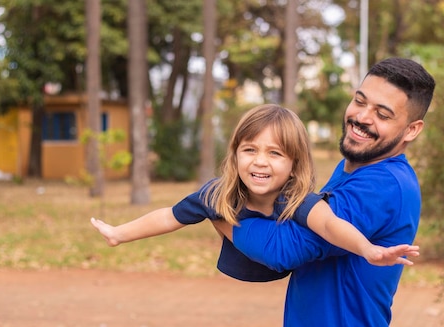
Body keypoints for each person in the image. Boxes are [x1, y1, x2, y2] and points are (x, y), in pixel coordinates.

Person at [212, 58, 436, 327]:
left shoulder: (380, 187)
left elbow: (282, 249)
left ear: (411, 130)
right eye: (360, 101)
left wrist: (215, 206)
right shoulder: (352, 167)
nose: (362, 117)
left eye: (382, 113)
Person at [90, 104, 419, 283]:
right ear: (234, 155)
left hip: (280, 262)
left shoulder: (295, 197)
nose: (260, 162)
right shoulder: (217, 194)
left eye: (275, 153)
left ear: (293, 164)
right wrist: (119, 233)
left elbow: (330, 225)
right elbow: (168, 216)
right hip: (247, 266)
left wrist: (368, 249)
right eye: (250, 150)